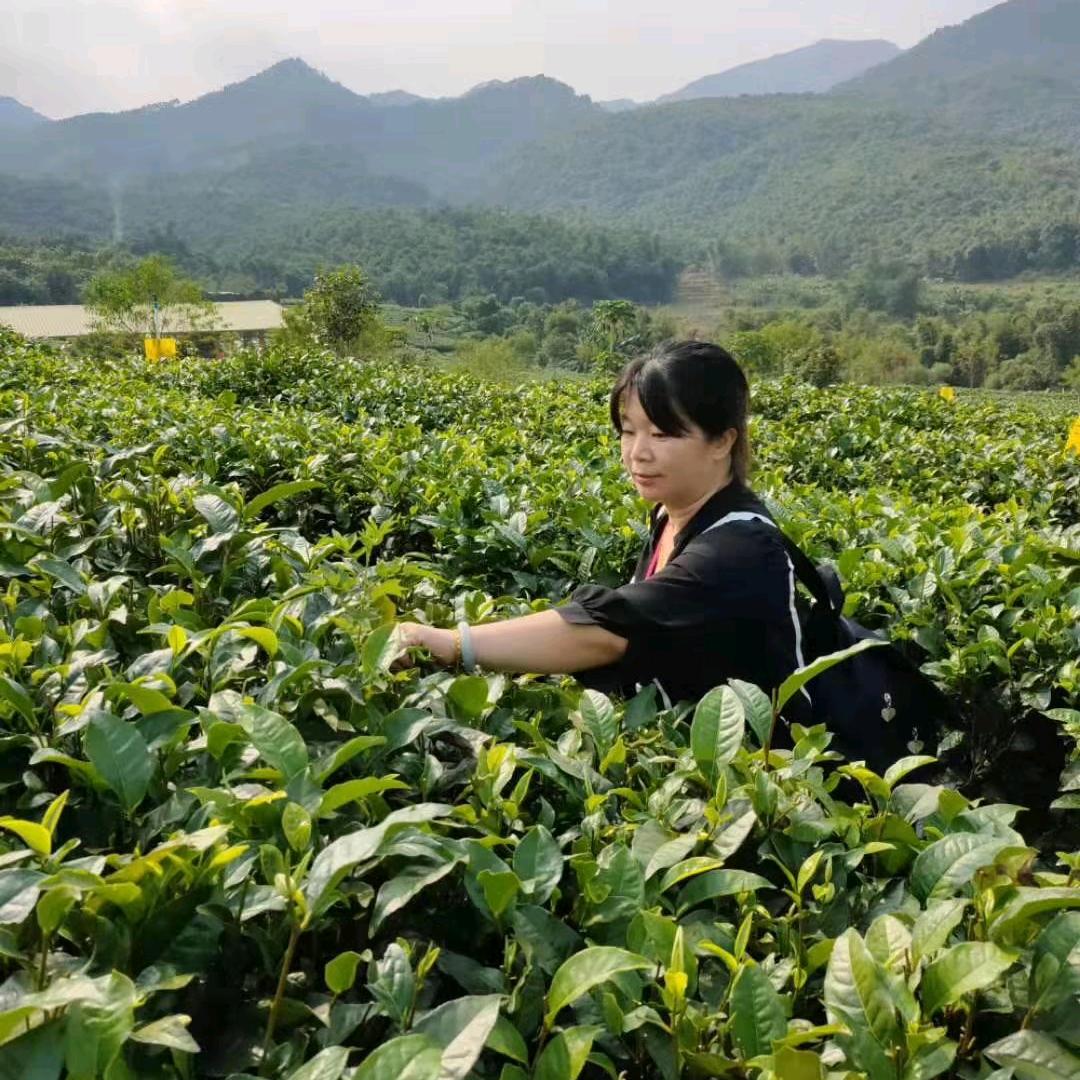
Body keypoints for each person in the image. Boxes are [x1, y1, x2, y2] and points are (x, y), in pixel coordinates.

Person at [392, 340, 809, 720]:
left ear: (722, 442)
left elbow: (610, 632)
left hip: (768, 778)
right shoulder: (672, 515)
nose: (637, 453)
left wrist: (451, 642)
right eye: (628, 431)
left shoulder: (739, 549)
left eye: (662, 433)